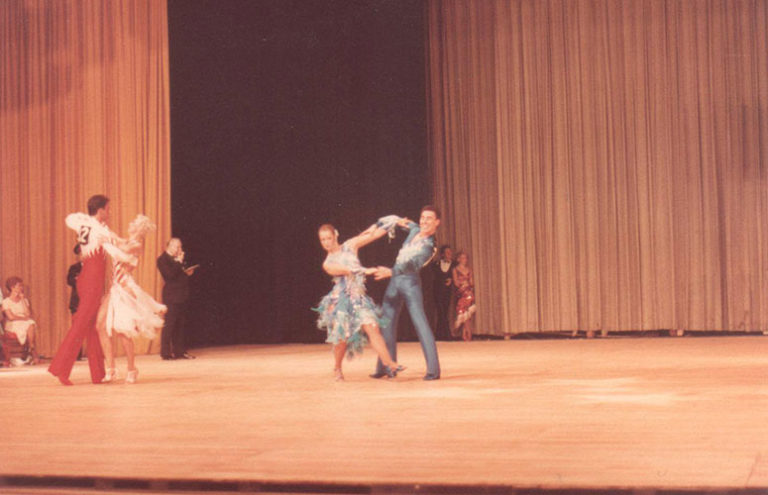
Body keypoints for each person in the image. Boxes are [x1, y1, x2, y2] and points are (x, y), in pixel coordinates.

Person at [49, 194, 130, 385]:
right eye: (107, 209)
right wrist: (135, 238)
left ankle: (98, 374)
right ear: (100, 210)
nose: (109, 212)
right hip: (92, 280)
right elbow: (119, 244)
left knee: (94, 326)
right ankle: (60, 369)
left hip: (90, 279)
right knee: (80, 325)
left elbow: (70, 219)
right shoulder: (99, 230)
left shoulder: (86, 225)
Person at [314, 223, 404, 381]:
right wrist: (365, 270)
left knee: (372, 328)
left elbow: (372, 235)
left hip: (359, 298)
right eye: (323, 240)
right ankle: (337, 367)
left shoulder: (350, 245)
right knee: (342, 338)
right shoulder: (327, 263)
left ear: (336, 235)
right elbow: (347, 270)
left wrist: (391, 222)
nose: (326, 242)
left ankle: (389, 363)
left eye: (328, 238)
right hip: (341, 300)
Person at [371, 206, 442, 381]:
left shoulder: (430, 246)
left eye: (429, 218)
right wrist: (381, 223)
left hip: (410, 283)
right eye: (423, 217)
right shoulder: (415, 229)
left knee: (420, 324)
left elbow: (412, 265)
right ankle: (386, 367)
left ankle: (433, 370)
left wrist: (391, 272)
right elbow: (395, 220)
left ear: (437, 222)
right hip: (395, 283)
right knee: (386, 323)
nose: (424, 221)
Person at [98, 215, 167, 383]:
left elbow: (120, 251)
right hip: (115, 288)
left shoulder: (136, 245)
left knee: (124, 330)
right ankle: (111, 368)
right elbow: (117, 240)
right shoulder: (125, 241)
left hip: (125, 289)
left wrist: (105, 241)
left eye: (133, 224)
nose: (130, 225)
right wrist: (105, 232)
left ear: (139, 229)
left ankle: (131, 369)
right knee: (100, 325)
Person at [157, 238, 197, 360]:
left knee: (180, 325)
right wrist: (179, 262)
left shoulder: (178, 259)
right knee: (170, 324)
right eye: (177, 247)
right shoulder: (162, 259)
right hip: (171, 295)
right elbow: (169, 276)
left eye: (180, 247)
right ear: (169, 246)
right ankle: (165, 353)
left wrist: (187, 272)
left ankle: (180, 351)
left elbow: (179, 274)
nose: (179, 249)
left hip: (182, 294)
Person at [1, 276, 40, 364]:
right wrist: (23, 318)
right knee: (29, 323)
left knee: (30, 323)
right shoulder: (6, 301)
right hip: (12, 323)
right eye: (19, 286)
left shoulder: (24, 300)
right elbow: (11, 317)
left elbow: (28, 314)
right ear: (12, 287)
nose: (21, 288)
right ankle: (32, 351)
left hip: (25, 322)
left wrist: (22, 300)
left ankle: (31, 346)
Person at [430, 245, 455, 340]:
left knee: (444, 312)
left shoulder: (454, 264)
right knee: (440, 312)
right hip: (437, 291)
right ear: (442, 254)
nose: (449, 254)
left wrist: (451, 279)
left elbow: (457, 276)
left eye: (450, 252)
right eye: (447, 252)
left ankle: (439, 334)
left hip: (448, 292)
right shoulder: (435, 264)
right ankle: (446, 335)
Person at [452, 250, 476, 341]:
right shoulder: (455, 270)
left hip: (469, 292)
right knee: (463, 312)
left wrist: (469, 284)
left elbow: (472, 282)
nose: (464, 260)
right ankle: (467, 332)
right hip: (461, 293)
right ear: (458, 259)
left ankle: (466, 333)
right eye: (462, 258)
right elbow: (456, 283)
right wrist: (463, 284)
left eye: (465, 258)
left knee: (467, 313)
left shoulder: (469, 270)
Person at [67, 244, 85, 360]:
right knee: (76, 328)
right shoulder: (74, 268)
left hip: (91, 300)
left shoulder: (93, 266)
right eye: (80, 254)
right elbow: (69, 281)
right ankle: (76, 354)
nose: (82, 256)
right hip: (77, 301)